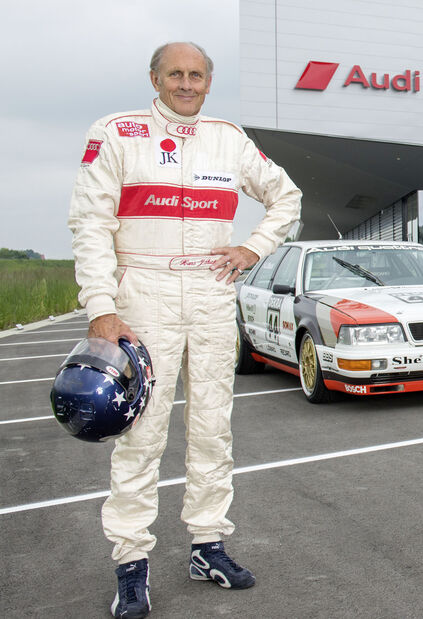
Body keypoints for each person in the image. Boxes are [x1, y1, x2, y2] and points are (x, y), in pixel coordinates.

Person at [69, 41, 301, 618]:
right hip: (142, 294)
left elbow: (285, 196)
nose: (187, 84)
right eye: (176, 73)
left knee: (212, 428)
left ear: (209, 82)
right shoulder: (117, 133)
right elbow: (91, 224)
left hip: (212, 293)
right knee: (142, 436)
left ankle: (208, 546)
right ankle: (131, 564)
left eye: (197, 75)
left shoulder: (229, 137)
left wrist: (253, 247)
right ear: (155, 77)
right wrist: (101, 305)